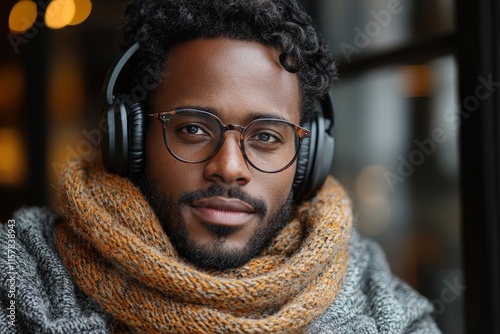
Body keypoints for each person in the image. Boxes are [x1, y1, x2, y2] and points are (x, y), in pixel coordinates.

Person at [0, 0, 441, 333]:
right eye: (193, 130)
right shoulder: (20, 275)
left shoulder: (387, 311)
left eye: (267, 137)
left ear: (308, 159)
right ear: (130, 140)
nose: (229, 168)